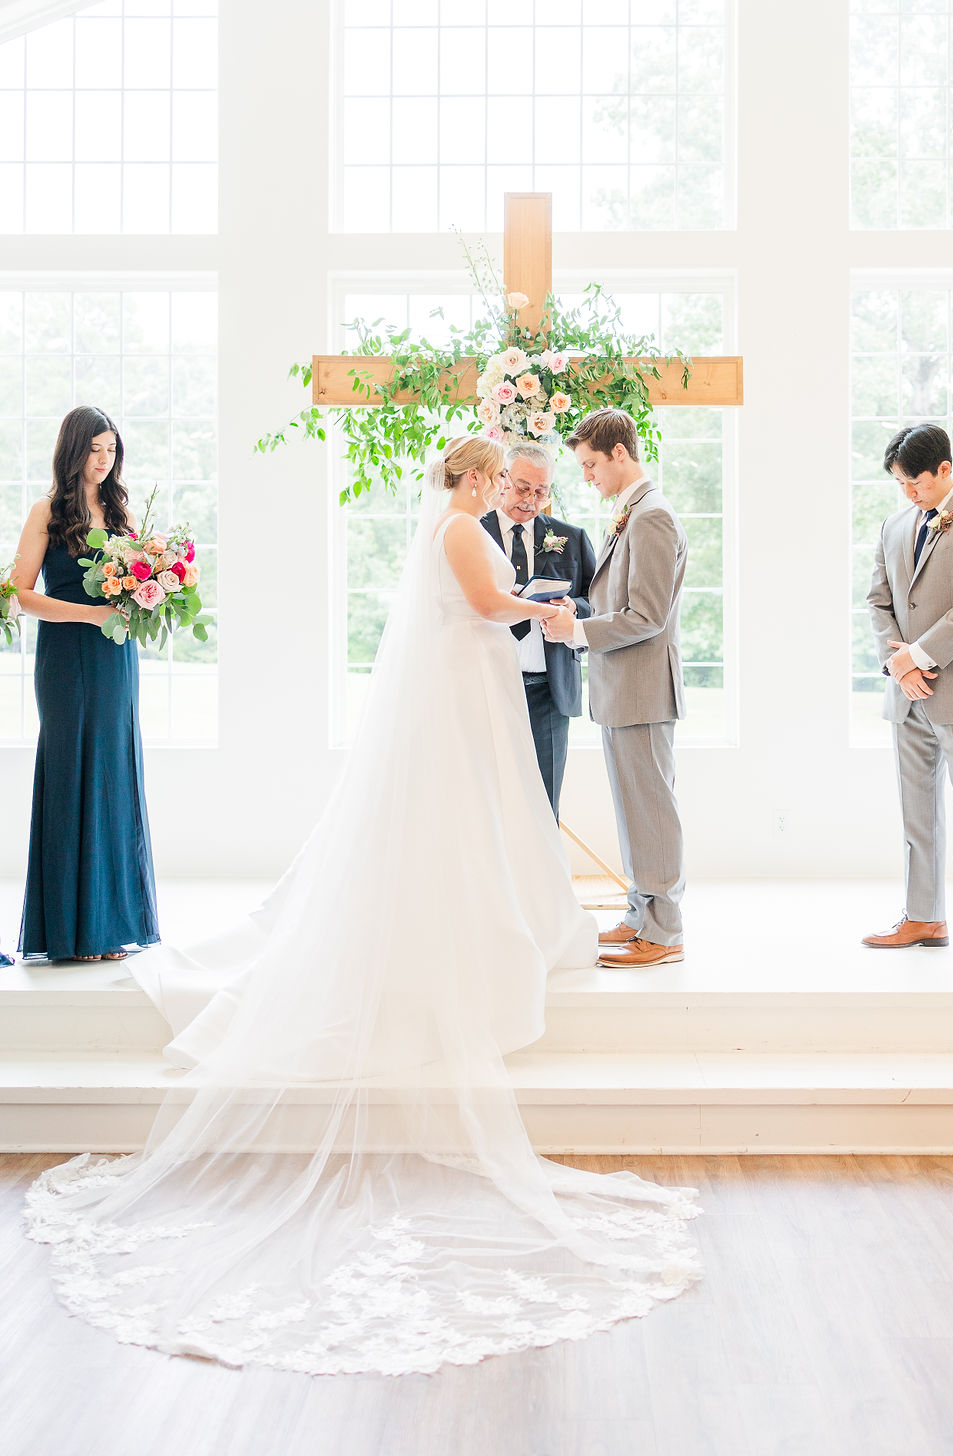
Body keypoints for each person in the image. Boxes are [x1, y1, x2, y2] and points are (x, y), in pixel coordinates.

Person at [24, 434, 700, 1378]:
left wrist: (542, 610)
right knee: (459, 826)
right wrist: (545, 607)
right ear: (470, 480)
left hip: (476, 689)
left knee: (483, 822)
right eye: (495, 475)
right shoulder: (462, 533)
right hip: (467, 690)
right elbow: (483, 604)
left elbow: (485, 608)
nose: (505, 487)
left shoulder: (460, 524)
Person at [863, 423, 953, 969]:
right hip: (907, 695)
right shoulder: (894, 523)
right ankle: (924, 916)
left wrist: (917, 656)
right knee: (916, 813)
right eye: (900, 483)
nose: (909, 493)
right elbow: (878, 602)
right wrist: (897, 664)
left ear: (944, 470)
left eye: (916, 483)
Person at [13, 406, 160, 964]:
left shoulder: (120, 512)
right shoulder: (46, 512)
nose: (105, 460)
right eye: (95, 449)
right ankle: (71, 934)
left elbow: (137, 582)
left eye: (111, 449)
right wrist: (88, 615)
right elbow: (20, 594)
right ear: (73, 450)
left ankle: (109, 927)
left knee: (114, 772)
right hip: (67, 658)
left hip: (117, 660)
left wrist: (150, 591)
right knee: (71, 771)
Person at [544, 408, 688, 969]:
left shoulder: (651, 517)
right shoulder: (633, 513)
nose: (587, 477)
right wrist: (577, 613)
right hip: (621, 687)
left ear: (620, 454)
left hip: (643, 687)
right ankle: (640, 916)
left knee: (652, 810)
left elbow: (647, 615)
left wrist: (578, 630)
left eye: (590, 465)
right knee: (634, 810)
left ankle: (666, 931)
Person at [480, 440, 596, 816]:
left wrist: (571, 608)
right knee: (488, 798)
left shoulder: (572, 537)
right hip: (486, 686)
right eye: (522, 487)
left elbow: (596, 603)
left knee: (545, 801)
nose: (531, 499)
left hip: (549, 688)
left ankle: (543, 877)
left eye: (541, 490)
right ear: (503, 480)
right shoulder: (473, 532)